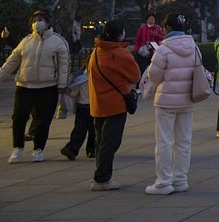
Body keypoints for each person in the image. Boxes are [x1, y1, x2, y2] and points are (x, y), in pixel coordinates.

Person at [0, 8, 70, 163]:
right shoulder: (26, 41)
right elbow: (12, 61)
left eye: (40, 20)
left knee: (43, 120)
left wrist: (62, 85)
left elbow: (64, 66)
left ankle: (38, 149)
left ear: (48, 22)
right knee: (19, 118)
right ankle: (17, 147)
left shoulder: (58, 42)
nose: (37, 23)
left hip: (48, 87)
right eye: (34, 20)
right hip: (25, 86)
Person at [144, 14, 199, 194]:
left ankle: (164, 182)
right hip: (187, 100)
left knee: (164, 142)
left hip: (166, 101)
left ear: (166, 28)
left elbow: (154, 75)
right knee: (184, 142)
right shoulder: (193, 47)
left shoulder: (163, 50)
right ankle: (180, 180)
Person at [85, 20, 139, 190]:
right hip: (115, 103)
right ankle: (102, 178)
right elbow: (135, 76)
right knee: (110, 143)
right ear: (119, 34)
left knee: (101, 141)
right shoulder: (119, 53)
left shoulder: (96, 51)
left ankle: (101, 175)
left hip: (97, 103)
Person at [58, 67, 95, 161]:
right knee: (93, 130)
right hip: (94, 106)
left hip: (82, 107)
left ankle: (72, 149)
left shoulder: (81, 79)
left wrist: (67, 91)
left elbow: (74, 93)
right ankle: (92, 150)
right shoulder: (99, 78)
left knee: (80, 129)